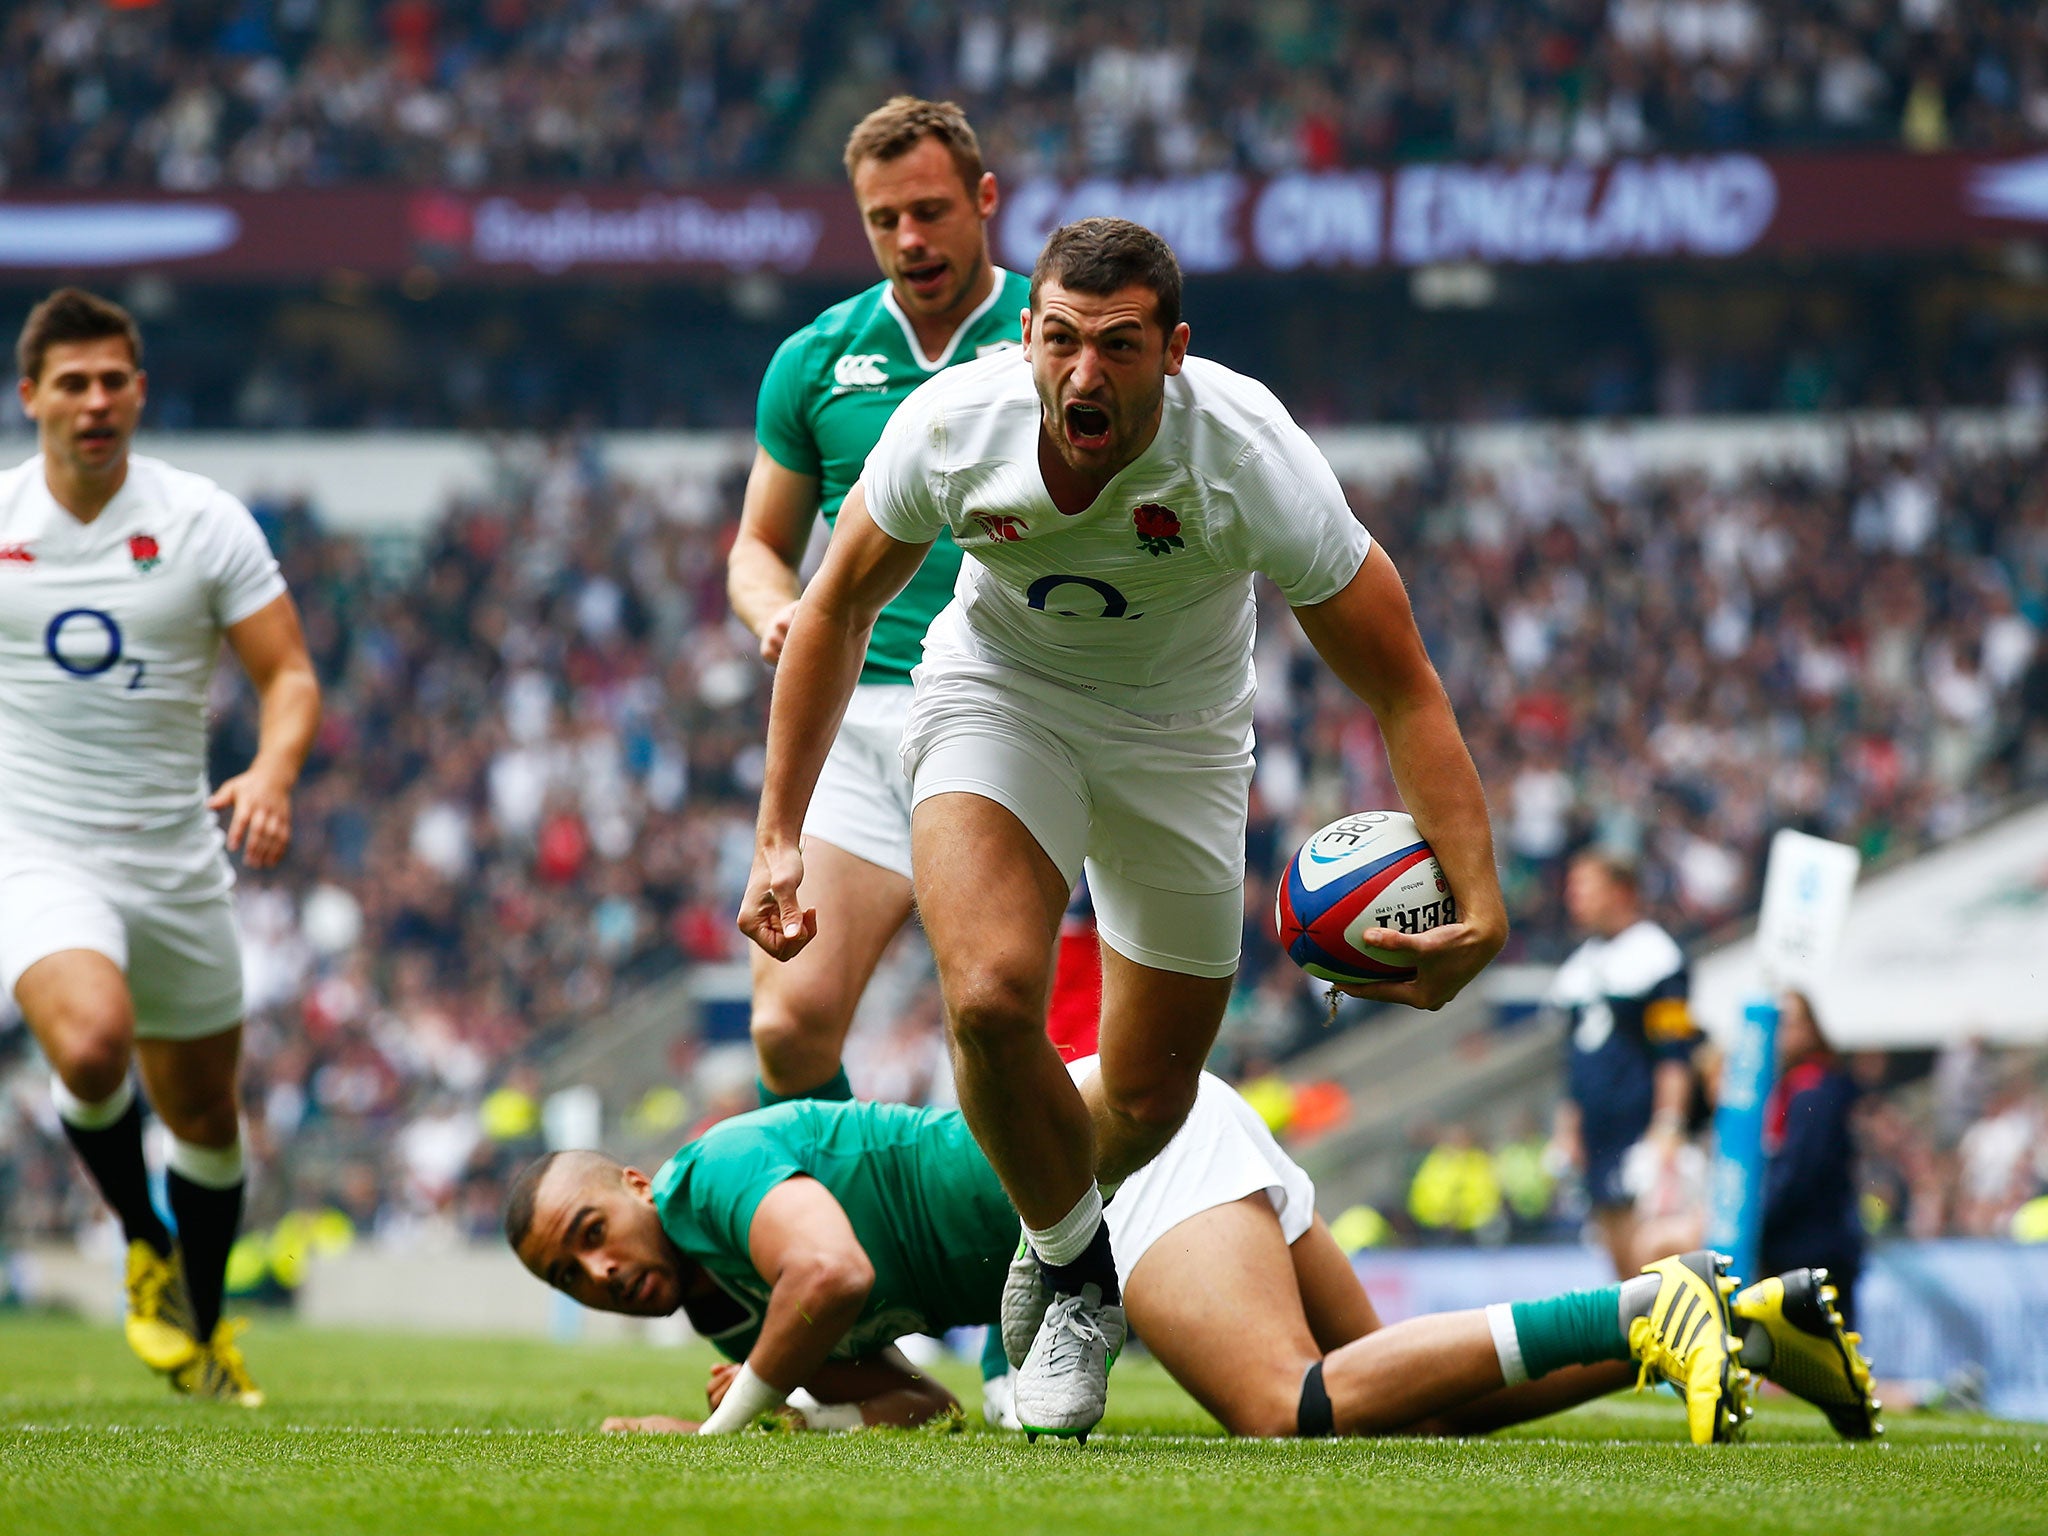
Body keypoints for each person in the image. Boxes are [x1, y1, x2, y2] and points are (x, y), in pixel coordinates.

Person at [738, 217, 1507, 1438]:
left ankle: (1047, 1244)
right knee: (989, 997)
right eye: (1058, 340)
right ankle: (1074, 1271)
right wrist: (779, 831)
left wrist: (1479, 898)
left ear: (1174, 353)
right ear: (1027, 335)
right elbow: (829, 610)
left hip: (1181, 743)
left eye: (1117, 346)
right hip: (999, 698)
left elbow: (1400, 677)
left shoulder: (1248, 456)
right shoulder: (951, 424)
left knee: (1150, 1095)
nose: (1081, 375)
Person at [504, 1060, 1878, 1447]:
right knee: (1420, 1402)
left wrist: (732, 1426)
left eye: (590, 1235)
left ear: (632, 1183)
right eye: (570, 1277)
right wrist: (803, 1411)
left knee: (1290, 1411)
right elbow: (912, 1401)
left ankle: (1657, 1299)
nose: (599, 1271)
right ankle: (1735, 1321)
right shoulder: (719, 1313)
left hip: (1126, 1158)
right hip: (1139, 1157)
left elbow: (838, 1279)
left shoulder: (717, 1174)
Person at [1, 288, 322, 1404]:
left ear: (139, 390)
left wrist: (271, 773)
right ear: (32, 394)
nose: (95, 402)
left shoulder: (200, 519)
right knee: (91, 1048)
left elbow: (286, 674)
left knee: (205, 1121)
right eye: (72, 383)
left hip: (177, 854)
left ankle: (205, 1322)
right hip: (37, 848)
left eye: (113, 380)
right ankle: (144, 1243)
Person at [726, 96, 1033, 1107]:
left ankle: (1035, 1243)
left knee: (985, 1017)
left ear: (983, 200)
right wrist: (776, 610)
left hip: (1007, 710)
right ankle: (850, 1236)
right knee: (785, 1026)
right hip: (856, 719)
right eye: (882, 220)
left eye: (931, 210)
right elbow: (757, 552)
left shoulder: (1051, 334)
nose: (909, 239)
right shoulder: (815, 359)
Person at [1546, 849, 1700, 1278]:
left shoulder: (1657, 957)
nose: (1574, 898)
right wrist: (1567, 1128)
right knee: (1614, 1258)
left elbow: (1675, 1050)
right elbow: (1572, 1063)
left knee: (1648, 1259)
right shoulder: (1579, 967)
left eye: (1585, 887)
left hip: (1638, 1126)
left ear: (1621, 891)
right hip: (1597, 1132)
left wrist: (1668, 1123)